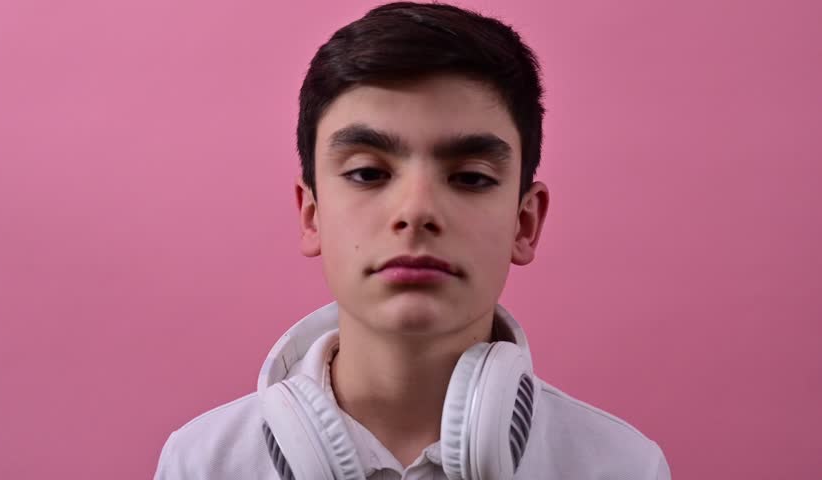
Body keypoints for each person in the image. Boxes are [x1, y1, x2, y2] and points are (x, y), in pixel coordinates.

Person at [153, 2, 671, 479]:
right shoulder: (202, 462)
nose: (417, 211)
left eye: (470, 177)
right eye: (366, 173)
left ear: (524, 222)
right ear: (311, 214)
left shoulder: (621, 466)